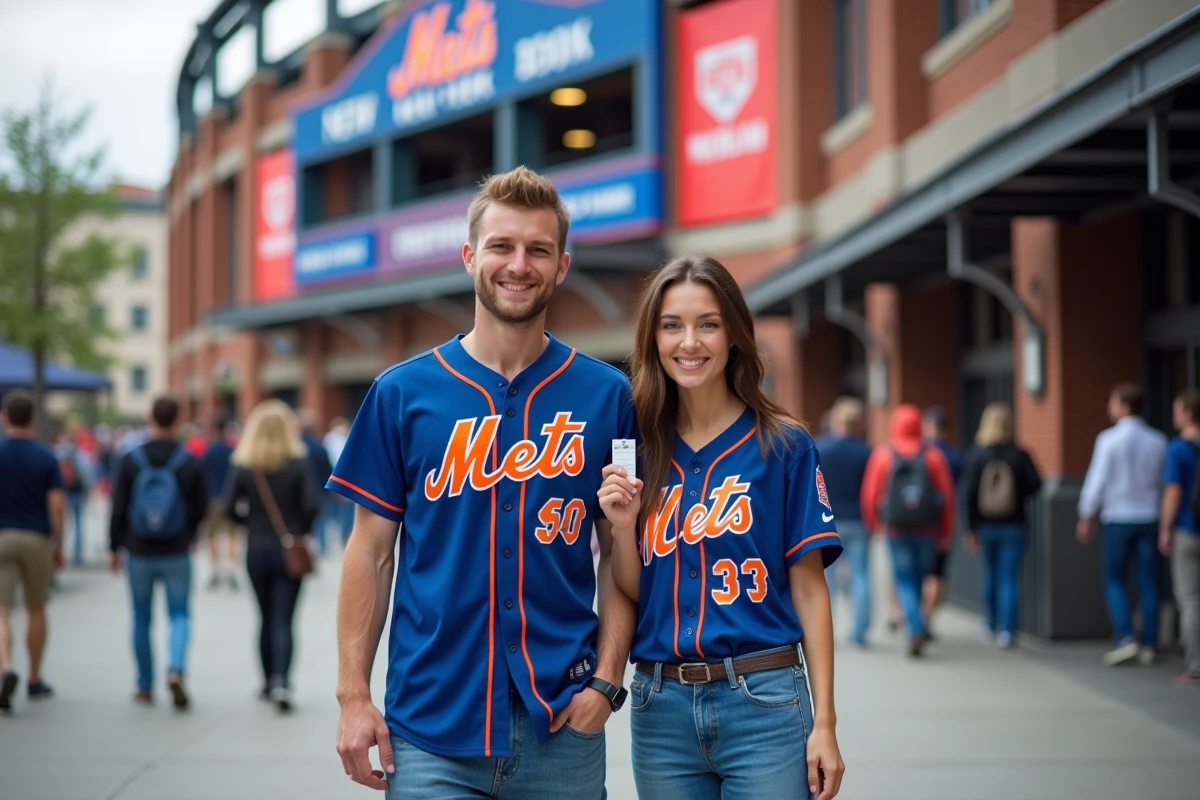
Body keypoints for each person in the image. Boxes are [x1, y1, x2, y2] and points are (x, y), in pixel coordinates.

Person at [329, 166, 637, 798]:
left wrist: (606, 684)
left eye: (538, 250)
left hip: (561, 725)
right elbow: (369, 550)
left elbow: (621, 552)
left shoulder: (610, 397)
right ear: (471, 256)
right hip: (429, 728)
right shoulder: (400, 393)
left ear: (562, 266)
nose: (518, 264)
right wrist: (353, 696)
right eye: (501, 246)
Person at [598, 255, 845, 800]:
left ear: (734, 334)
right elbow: (637, 592)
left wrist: (824, 721)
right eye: (672, 326)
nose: (690, 342)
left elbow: (809, 588)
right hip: (659, 708)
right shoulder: (636, 446)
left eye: (707, 323)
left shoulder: (784, 446)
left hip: (764, 701)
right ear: (652, 339)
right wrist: (621, 530)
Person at [108, 396, 208, 708]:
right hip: (176, 549)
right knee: (179, 614)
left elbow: (119, 506)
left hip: (138, 550)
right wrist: (189, 533)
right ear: (179, 420)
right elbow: (201, 507)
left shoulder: (130, 459)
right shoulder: (188, 461)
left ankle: (144, 684)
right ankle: (176, 668)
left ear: (150, 417)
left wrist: (115, 545)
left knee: (140, 617)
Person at [223, 400, 319, 711]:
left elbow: (227, 508)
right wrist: (299, 530)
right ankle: (282, 681)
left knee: (264, 617)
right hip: (289, 548)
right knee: (284, 619)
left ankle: (266, 682)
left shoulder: (244, 464)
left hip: (257, 547)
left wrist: (248, 523)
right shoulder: (297, 463)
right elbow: (312, 505)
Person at [1077, 383, 1167, 667]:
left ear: (1124, 406)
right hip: (1149, 516)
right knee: (1149, 582)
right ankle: (1150, 642)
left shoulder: (1108, 440)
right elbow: (1164, 484)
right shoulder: (1158, 440)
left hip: (1118, 517)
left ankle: (1126, 637)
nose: (1109, 408)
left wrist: (1086, 514)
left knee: (1114, 579)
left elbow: (1097, 480)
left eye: (1113, 403)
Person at [861, 404, 955, 657]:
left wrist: (874, 524)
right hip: (928, 530)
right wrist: (946, 532)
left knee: (905, 580)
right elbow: (946, 497)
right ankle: (920, 624)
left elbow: (870, 494)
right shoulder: (933, 455)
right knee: (922, 578)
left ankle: (915, 627)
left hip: (896, 530)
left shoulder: (883, 454)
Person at [0, 390, 64, 709]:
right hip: (37, 537)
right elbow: (57, 506)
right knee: (36, 608)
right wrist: (59, 545)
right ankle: (35, 678)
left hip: (1, 537)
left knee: (1, 611)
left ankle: (4, 666)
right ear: (33, 419)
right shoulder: (46, 456)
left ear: (4, 417)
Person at [962, 403, 1042, 649]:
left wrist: (971, 528)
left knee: (991, 575)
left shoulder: (977, 455)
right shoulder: (1020, 454)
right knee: (1009, 578)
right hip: (1015, 524)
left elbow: (969, 494)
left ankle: (990, 624)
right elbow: (1036, 485)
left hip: (986, 526)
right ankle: (1009, 631)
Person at [818, 396, 873, 646]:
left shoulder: (820, 449)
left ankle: (827, 630)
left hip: (827, 521)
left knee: (826, 580)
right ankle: (859, 632)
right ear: (858, 422)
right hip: (858, 520)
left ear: (836, 420)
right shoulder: (866, 452)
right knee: (860, 574)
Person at [1159, 389, 1200, 685]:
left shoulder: (1178, 449)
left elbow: (1173, 492)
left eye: (1177, 409)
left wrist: (1165, 528)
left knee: (1190, 598)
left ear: (1187, 413)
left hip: (1189, 530)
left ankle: (1195, 664)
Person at [920, 405, 962, 635]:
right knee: (936, 573)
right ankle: (926, 618)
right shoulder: (953, 456)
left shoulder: (921, 452)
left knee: (913, 574)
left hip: (912, 525)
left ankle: (913, 618)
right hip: (940, 523)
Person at [201, 417, 239, 590]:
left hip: (212, 497)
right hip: (230, 497)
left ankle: (215, 570)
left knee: (211, 535)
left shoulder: (209, 451)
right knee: (231, 534)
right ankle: (230, 570)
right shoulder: (233, 451)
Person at [298, 409, 334, 554]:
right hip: (320, 491)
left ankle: (306, 547)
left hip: (300, 493)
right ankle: (321, 549)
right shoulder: (320, 447)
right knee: (321, 522)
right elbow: (328, 470)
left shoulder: (296, 447)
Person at [55, 429, 93, 567]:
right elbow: (87, 474)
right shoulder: (80, 455)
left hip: (63, 493)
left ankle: (61, 550)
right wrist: (88, 490)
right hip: (78, 492)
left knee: (62, 523)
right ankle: (78, 555)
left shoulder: (57, 454)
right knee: (78, 523)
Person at [322, 417, 355, 546]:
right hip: (341, 483)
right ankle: (344, 537)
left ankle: (341, 537)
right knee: (343, 513)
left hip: (332, 484)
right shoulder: (337, 441)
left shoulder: (328, 440)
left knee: (335, 513)